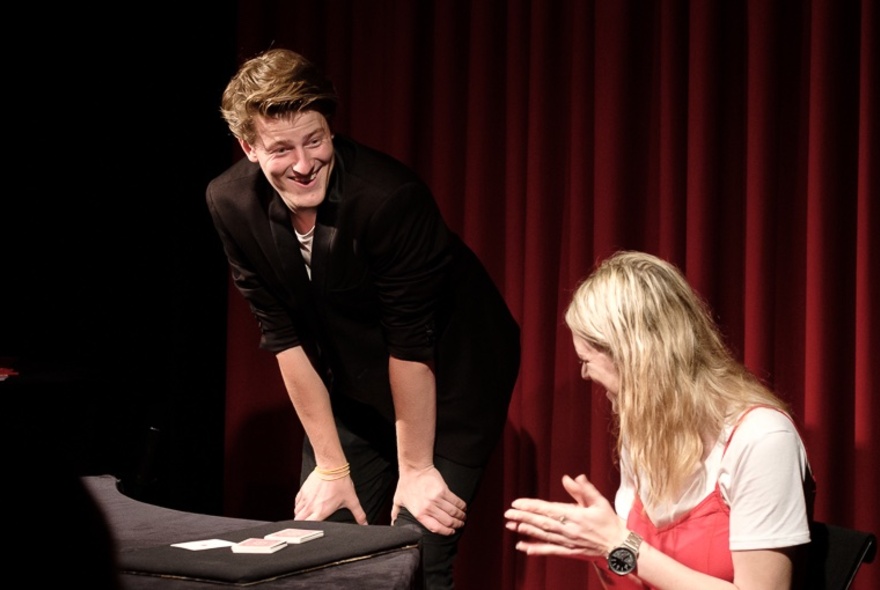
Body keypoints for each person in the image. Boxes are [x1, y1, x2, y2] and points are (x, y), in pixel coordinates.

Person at [206, 48, 521, 589]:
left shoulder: (388, 198)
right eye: (281, 149)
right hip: (352, 379)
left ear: (331, 128)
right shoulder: (230, 202)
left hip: (449, 376)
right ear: (249, 148)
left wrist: (416, 471)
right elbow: (282, 336)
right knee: (322, 543)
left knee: (417, 550)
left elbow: (411, 341)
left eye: (314, 140)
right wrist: (331, 467)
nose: (303, 164)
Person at [504, 251, 814, 589]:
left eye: (586, 360)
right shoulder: (647, 432)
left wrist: (617, 544)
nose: (584, 374)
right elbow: (633, 573)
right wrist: (599, 547)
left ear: (633, 355)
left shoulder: (762, 439)